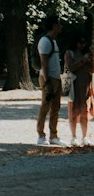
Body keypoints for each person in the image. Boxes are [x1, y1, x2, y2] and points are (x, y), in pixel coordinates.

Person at [35, 14, 64, 146]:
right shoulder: (45, 41)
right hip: (49, 79)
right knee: (45, 107)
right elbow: (44, 63)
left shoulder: (54, 41)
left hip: (56, 78)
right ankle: (41, 135)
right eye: (58, 23)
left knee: (56, 108)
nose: (60, 26)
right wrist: (47, 83)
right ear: (54, 26)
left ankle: (53, 135)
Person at [63, 34, 92, 148]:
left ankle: (85, 137)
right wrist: (83, 60)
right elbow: (71, 68)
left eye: (84, 42)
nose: (82, 44)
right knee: (73, 111)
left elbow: (92, 69)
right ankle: (73, 136)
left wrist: (91, 59)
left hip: (85, 85)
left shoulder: (88, 53)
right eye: (80, 42)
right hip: (73, 85)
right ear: (75, 42)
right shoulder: (69, 53)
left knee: (84, 111)